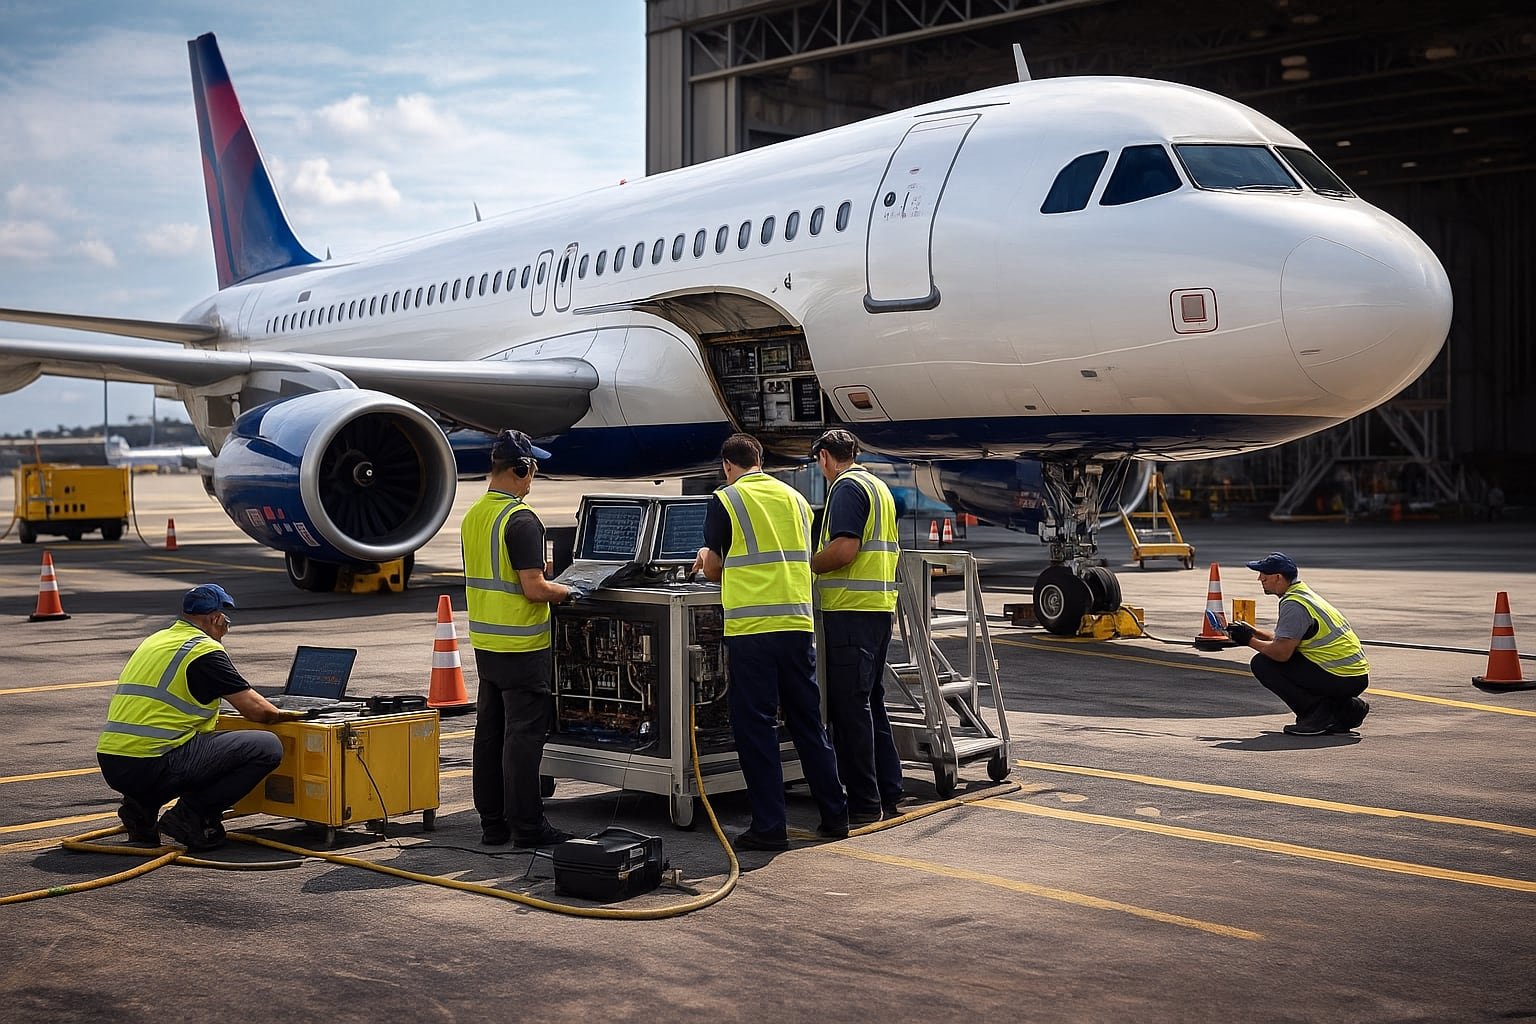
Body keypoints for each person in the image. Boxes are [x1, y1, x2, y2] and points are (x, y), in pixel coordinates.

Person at [693, 432, 849, 851]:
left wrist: (703, 562)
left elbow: (713, 569)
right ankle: (836, 815)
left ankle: (769, 827)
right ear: (759, 459)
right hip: (798, 625)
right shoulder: (796, 499)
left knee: (756, 728)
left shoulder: (725, 500)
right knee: (808, 723)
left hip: (753, 630)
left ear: (728, 465)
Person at [96, 584, 300, 851]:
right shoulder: (203, 650)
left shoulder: (156, 640)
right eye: (225, 620)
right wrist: (297, 712)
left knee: (184, 742)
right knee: (266, 746)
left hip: (114, 761)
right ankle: (190, 816)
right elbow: (258, 711)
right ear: (215, 619)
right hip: (152, 764)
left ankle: (140, 810)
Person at [462, 428, 574, 848]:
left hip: (487, 644)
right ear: (520, 468)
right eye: (533, 469)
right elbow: (534, 589)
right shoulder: (521, 519)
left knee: (489, 733)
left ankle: (493, 825)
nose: (534, 478)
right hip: (523, 645)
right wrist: (568, 590)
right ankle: (528, 827)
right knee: (524, 738)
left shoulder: (476, 515)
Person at [809, 429, 904, 824]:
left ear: (825, 458)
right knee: (870, 703)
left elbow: (845, 550)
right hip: (877, 608)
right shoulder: (877, 486)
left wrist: (805, 565)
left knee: (850, 710)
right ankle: (889, 789)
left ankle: (865, 802)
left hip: (849, 612)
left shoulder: (846, 489)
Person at [1226, 552, 1370, 736]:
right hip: (1353, 674)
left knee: (1263, 664)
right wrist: (1254, 632)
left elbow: (1281, 653)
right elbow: (1287, 638)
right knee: (1284, 659)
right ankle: (1348, 709)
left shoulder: (1294, 605)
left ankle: (1315, 716)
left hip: (1340, 675)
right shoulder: (1304, 595)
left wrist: (1248, 641)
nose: (1259, 578)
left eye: (1264, 574)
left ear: (1278, 577)